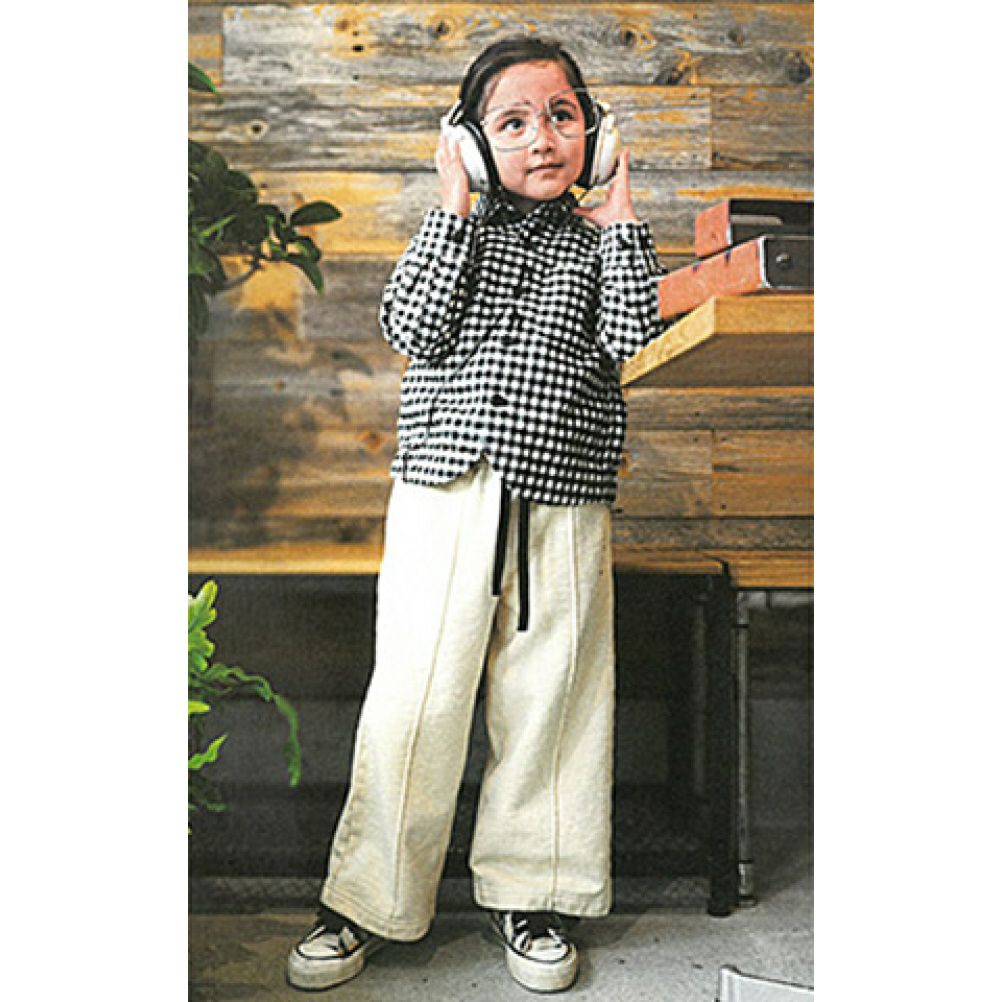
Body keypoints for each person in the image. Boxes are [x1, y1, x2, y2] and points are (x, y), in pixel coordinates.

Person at [287, 35, 666, 994]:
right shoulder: (454, 230)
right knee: (417, 697)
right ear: (468, 139)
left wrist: (621, 214)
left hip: (564, 496)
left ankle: (534, 896)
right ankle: (366, 899)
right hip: (447, 491)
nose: (543, 138)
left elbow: (633, 333)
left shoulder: (601, 243)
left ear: (595, 132)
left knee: (553, 699)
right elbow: (411, 324)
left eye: (563, 116)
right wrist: (453, 204)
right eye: (512, 122)